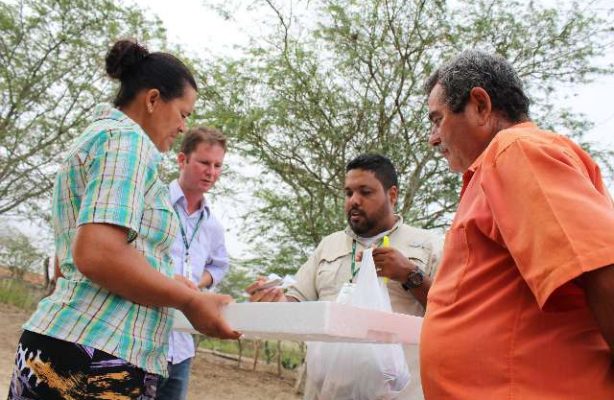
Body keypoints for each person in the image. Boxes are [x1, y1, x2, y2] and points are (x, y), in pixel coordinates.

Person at [8, 39, 240, 400]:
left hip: (67, 346)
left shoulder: (100, 136)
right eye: (183, 113)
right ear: (152, 100)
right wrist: (189, 301)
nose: (183, 127)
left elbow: (73, 257)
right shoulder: (128, 142)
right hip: (95, 354)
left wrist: (163, 278)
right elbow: (98, 254)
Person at [421, 50, 614, 399]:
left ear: (480, 105)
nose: (433, 138)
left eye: (437, 120)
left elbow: (604, 270)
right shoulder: (494, 170)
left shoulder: (516, 151)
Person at [247, 153, 441, 400]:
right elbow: (296, 303)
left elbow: (451, 314)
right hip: (325, 393)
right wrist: (273, 299)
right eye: (348, 193)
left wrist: (410, 274)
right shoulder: (329, 246)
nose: (354, 201)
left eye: (365, 192)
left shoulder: (427, 246)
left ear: (392, 195)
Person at [156, 127, 230, 399]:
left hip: (183, 347)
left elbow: (220, 265)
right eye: (204, 162)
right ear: (182, 160)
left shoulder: (213, 225)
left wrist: (197, 284)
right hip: (143, 336)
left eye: (217, 165)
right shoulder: (153, 203)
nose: (211, 171)